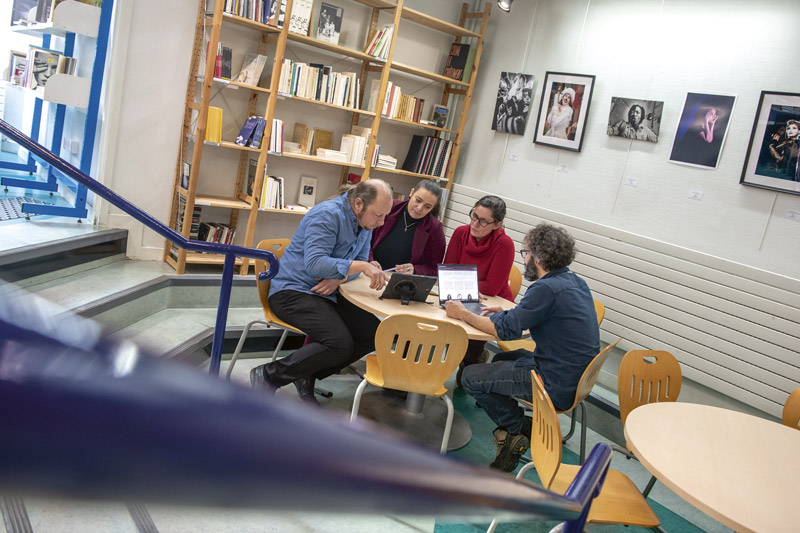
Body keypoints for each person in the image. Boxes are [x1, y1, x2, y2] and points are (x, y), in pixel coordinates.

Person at [445, 223, 600, 472]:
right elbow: (533, 316)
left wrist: (463, 313)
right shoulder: (573, 281)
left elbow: (506, 331)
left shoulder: (545, 288)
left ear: (538, 257)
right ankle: (514, 428)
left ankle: (518, 429)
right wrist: (509, 312)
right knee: (502, 360)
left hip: (554, 383)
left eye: (525, 253)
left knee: (472, 376)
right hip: (574, 377)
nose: (524, 258)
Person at [250, 180, 394, 406]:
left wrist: (340, 275)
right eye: (378, 215)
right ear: (358, 204)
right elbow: (315, 265)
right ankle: (269, 374)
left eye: (385, 215)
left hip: (327, 292)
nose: (382, 222)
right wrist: (357, 267)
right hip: (292, 291)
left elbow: (358, 265)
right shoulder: (326, 215)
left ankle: (306, 374)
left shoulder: (365, 224)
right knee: (338, 343)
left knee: (374, 334)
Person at [443, 195, 514, 383]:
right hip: (462, 294)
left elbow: (492, 287)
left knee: (470, 349)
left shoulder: (504, 244)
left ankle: (473, 359)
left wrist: (459, 283)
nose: (475, 223)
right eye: (474, 216)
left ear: (497, 224)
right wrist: (466, 286)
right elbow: (447, 270)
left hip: (491, 302)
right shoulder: (460, 233)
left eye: (483, 221)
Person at [369, 179, 446, 276]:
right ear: (411, 192)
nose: (419, 208)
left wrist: (415, 270)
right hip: (372, 273)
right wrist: (370, 261)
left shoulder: (435, 228)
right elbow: (365, 239)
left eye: (427, 207)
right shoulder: (389, 207)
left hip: (403, 282)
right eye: (418, 200)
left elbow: (434, 269)